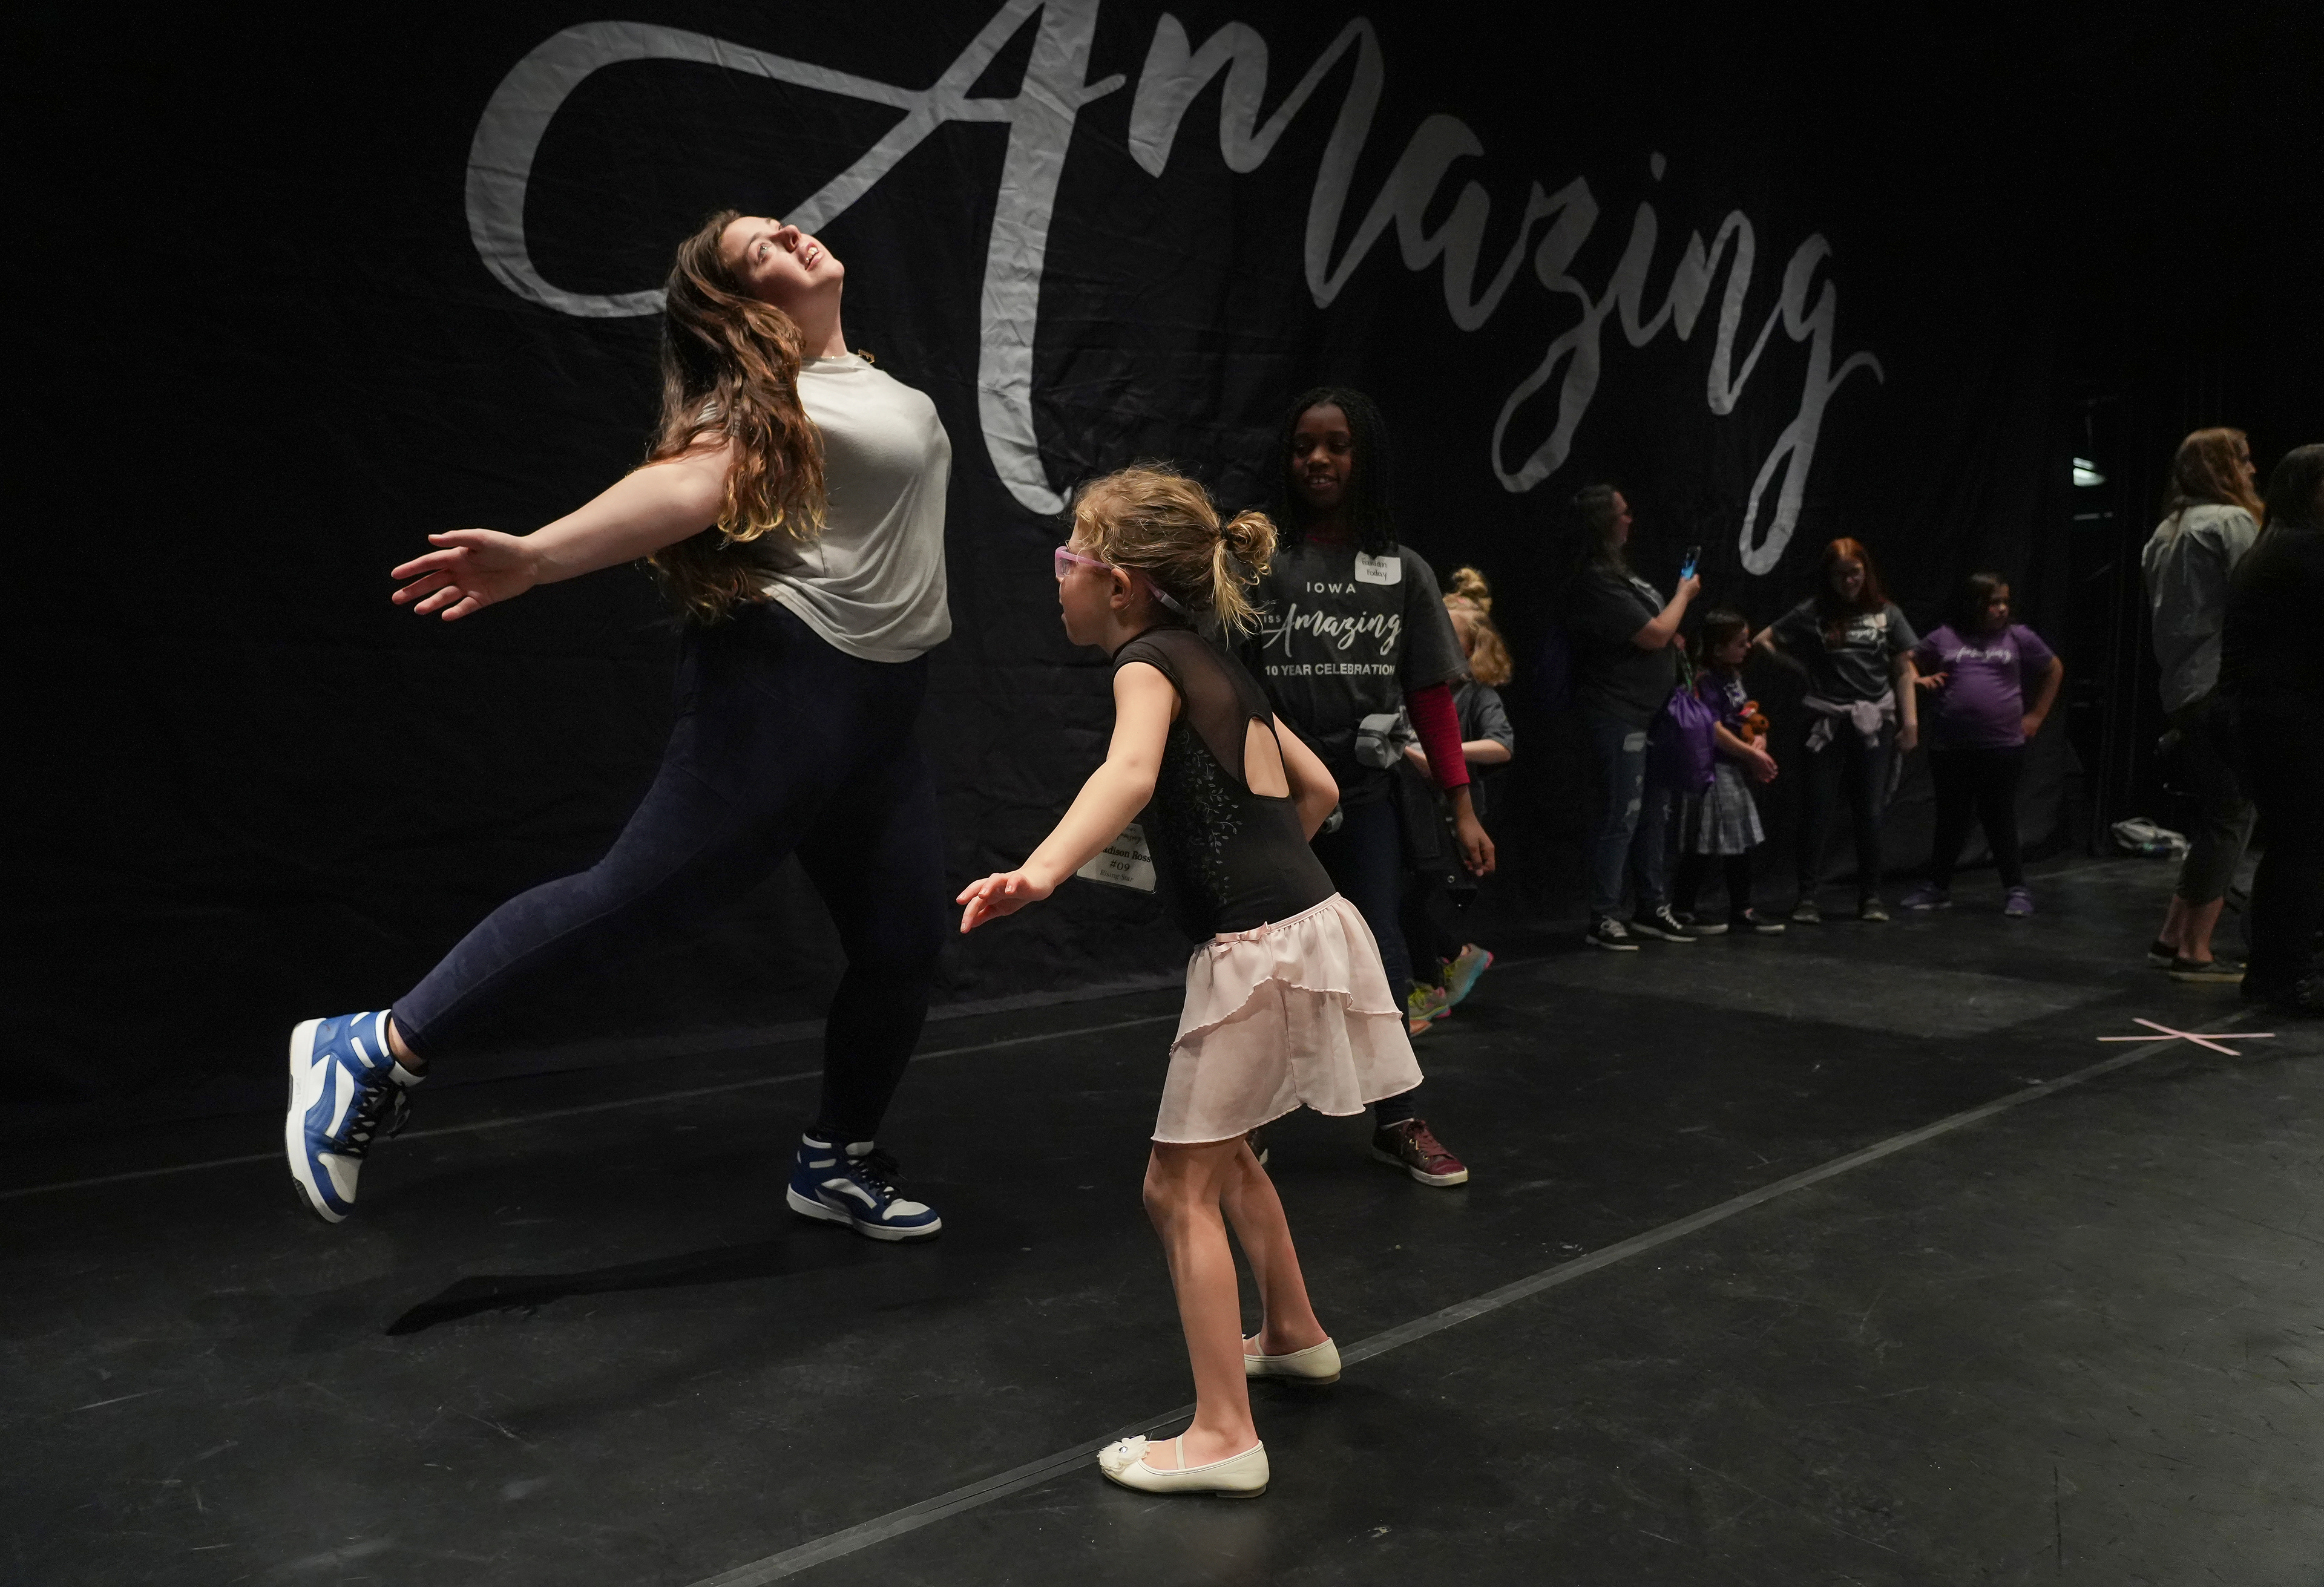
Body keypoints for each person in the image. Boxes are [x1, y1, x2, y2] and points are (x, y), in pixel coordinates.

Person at [284, 211, 952, 1240]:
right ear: (741, 306)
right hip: (786, 680)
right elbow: (689, 483)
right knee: (638, 894)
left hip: (883, 704)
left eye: (781, 226)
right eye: (761, 250)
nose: (792, 236)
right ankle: (375, 1044)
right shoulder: (762, 402)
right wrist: (538, 557)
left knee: (903, 939)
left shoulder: (872, 383)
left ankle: (835, 1158)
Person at [958, 466, 1419, 1499]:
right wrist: (1275, 882)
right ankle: (1292, 1331)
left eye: (1068, 560)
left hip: (1262, 944)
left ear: (1119, 584)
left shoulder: (1146, 662)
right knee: (1232, 1155)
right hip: (1310, 923)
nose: (1058, 578)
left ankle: (1223, 1434)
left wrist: (1041, 871)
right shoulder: (1220, 664)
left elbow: (1127, 775)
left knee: (1175, 1188)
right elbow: (1319, 786)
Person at [1236, 387, 1487, 1186]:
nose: (1317, 459)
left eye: (1337, 445)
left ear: (1364, 457)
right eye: (1303, 445)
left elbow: (1431, 697)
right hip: (1277, 795)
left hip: (1370, 794)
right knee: (1266, 958)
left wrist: (1462, 805)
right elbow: (1225, 681)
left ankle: (1399, 1117)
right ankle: (1251, 1116)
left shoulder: (1403, 570)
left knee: (1378, 952)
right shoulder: (1259, 562)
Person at [2141, 427, 2265, 982]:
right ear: (2222, 467)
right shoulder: (2230, 523)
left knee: (2217, 814)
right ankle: (2195, 950)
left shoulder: (2165, 532)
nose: (2253, 470)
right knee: (2233, 814)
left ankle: (2171, 937)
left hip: (2182, 687)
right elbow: (2259, 595)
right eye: (2244, 460)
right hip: (2217, 684)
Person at [1561, 485, 1701, 948]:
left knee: (1653, 814)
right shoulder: (1596, 580)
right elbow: (1654, 633)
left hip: (1651, 712)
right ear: (1603, 522)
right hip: (1617, 712)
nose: (1630, 520)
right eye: (1622, 513)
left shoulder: (1622, 576)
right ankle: (1604, 915)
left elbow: (1655, 634)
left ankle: (1651, 905)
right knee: (1621, 813)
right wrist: (1684, 594)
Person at [1754, 538, 1920, 923]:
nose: (1849, 582)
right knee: (1817, 808)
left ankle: (1871, 897)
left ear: (1866, 572)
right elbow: (1763, 641)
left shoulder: (1887, 614)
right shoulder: (1814, 612)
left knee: (1870, 811)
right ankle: (1807, 898)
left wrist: (1910, 722)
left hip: (1874, 722)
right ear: (1828, 577)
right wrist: (1802, 670)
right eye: (1840, 575)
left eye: (1855, 573)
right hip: (1827, 720)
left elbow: (1903, 669)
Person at [2221, 443, 2324, 1015]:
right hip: (2291, 723)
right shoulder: (2304, 550)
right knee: (2302, 849)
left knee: (2291, 847)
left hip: (2266, 722)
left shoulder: (2271, 548)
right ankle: (2287, 976)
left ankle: (2272, 972)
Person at [1900, 574, 2063, 917]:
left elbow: (2053, 668)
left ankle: (2016, 889)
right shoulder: (1945, 637)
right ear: (1974, 604)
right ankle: (1938, 887)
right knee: (1951, 818)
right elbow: (1907, 659)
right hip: (1951, 747)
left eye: (2005, 602)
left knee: (1999, 816)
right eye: (1993, 603)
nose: (2001, 609)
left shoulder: (2017, 637)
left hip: (2002, 745)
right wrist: (1917, 678)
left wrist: (2036, 716)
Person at [1398, 568, 1515, 1019]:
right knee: (1406, 899)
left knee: (1417, 900)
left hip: (1451, 814)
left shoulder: (1476, 695)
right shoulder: (1414, 690)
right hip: (1417, 808)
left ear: (1469, 648)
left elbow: (1502, 745)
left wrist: (1445, 752)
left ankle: (1438, 977)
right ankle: (1447, 964)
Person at [1670, 609, 1784, 935]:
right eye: (1740, 643)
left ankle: (1741, 908)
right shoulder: (1704, 680)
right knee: (1704, 840)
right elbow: (1713, 728)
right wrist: (1751, 754)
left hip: (1733, 767)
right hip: (1714, 768)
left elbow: (1744, 714)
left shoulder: (1732, 675)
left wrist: (1759, 738)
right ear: (1718, 649)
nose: (1747, 647)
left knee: (1738, 840)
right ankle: (1684, 908)